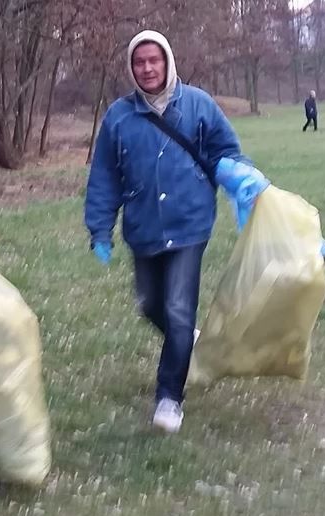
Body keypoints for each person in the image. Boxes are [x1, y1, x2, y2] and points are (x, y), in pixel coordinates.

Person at [84, 30, 267, 434]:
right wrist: (100, 228)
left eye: (154, 60)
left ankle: (169, 398)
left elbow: (226, 151)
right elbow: (104, 178)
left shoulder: (199, 105)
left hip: (190, 223)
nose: (147, 68)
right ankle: (187, 337)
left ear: (167, 61)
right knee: (151, 305)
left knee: (179, 308)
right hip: (143, 227)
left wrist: (240, 176)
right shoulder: (118, 116)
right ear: (132, 68)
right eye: (139, 62)